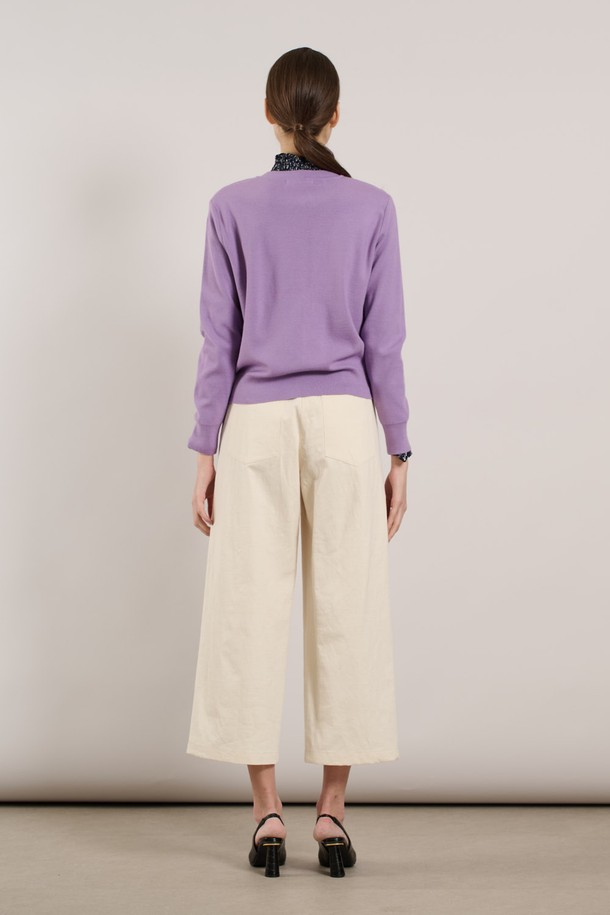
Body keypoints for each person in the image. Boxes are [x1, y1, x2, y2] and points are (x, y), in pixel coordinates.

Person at [185, 46, 413, 878]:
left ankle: (267, 811)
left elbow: (219, 340)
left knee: (247, 607)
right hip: (347, 423)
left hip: (254, 424)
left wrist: (204, 447)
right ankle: (333, 811)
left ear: (268, 113)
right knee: (348, 606)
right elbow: (385, 340)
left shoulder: (231, 206)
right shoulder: (372, 207)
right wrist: (399, 445)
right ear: (336, 115)